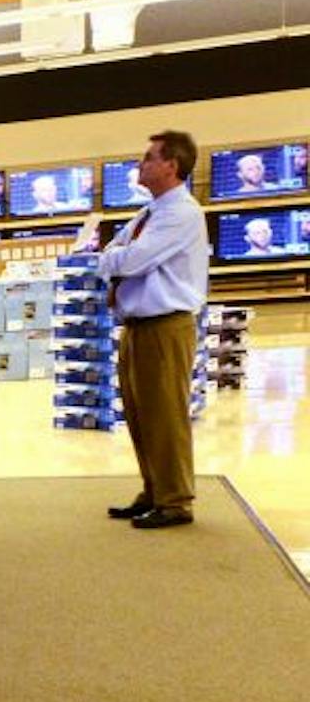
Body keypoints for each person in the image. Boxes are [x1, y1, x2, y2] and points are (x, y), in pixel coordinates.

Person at [84, 130, 208, 529]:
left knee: (165, 415)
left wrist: (117, 259)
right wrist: (116, 258)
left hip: (165, 327)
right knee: (141, 415)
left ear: (172, 165)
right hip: (138, 327)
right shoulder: (150, 213)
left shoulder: (182, 213)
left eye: (149, 157)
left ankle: (176, 501)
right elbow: (109, 254)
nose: (141, 164)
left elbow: (131, 260)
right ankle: (154, 490)